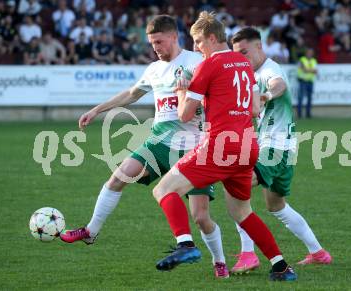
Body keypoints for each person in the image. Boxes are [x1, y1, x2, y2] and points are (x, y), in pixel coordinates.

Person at [60, 15, 229, 278]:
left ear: (174, 37)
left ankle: (219, 262)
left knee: (201, 217)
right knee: (118, 177)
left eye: (159, 42)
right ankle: (91, 232)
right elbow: (131, 94)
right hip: (159, 141)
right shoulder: (153, 69)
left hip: (194, 146)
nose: (156, 48)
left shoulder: (197, 62)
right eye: (152, 44)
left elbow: (217, 95)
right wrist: (96, 110)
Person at [152, 12, 296, 281]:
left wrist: (182, 89)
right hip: (247, 145)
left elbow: (184, 115)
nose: (196, 48)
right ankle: (281, 267)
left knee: (163, 189)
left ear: (212, 37)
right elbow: (255, 109)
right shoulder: (244, 63)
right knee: (242, 212)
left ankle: (186, 245)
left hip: (220, 146)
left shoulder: (207, 66)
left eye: (198, 41)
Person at [229, 27, 331, 274]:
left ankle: (248, 254)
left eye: (245, 52)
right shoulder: (251, 74)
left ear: (259, 46)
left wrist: (265, 95)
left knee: (235, 189)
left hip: (275, 148)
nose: (242, 58)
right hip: (282, 147)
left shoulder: (269, 70)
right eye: (237, 54)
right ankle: (318, 252)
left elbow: (279, 85)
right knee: (276, 206)